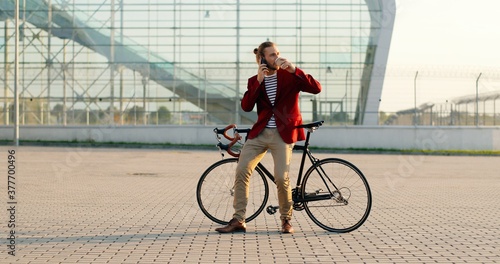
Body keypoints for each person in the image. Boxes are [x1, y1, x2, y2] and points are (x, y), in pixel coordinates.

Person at [215, 41, 322, 234]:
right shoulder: (254, 80)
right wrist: (258, 81)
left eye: (278, 53)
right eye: (272, 55)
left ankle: (286, 220)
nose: (277, 57)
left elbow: (316, 88)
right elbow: (246, 106)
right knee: (242, 171)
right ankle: (239, 220)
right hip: (260, 134)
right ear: (262, 59)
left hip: (283, 134)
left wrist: (294, 69)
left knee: (282, 178)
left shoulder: (289, 76)